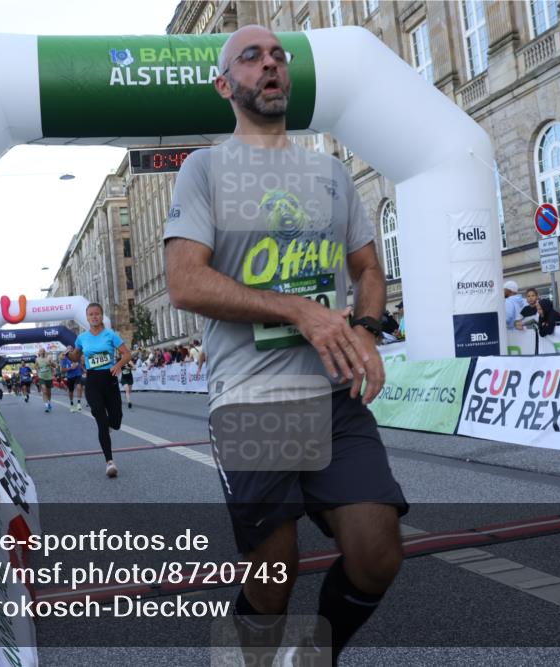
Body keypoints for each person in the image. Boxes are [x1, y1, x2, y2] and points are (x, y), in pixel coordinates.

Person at [163, 25, 407, 664]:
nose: (269, 65)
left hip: (331, 392)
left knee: (378, 551)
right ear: (225, 85)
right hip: (250, 396)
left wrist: (366, 329)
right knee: (274, 580)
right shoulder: (204, 169)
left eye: (278, 56)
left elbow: (369, 270)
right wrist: (300, 310)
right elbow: (184, 283)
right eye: (251, 57)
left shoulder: (329, 173)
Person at [70, 303, 131, 478]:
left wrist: (119, 365)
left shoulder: (110, 335)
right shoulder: (82, 338)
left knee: (116, 421)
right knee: (101, 421)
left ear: (101, 316)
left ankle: (110, 425)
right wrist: (69, 353)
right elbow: (76, 356)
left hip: (110, 379)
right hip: (93, 381)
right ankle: (109, 462)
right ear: (87, 318)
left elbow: (127, 354)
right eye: (91, 314)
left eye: (97, 314)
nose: (94, 317)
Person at [36, 347, 55, 412]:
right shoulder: (37, 359)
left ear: (45, 352)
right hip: (42, 377)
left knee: (49, 392)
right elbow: (36, 367)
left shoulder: (49, 358)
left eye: (43, 351)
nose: (42, 352)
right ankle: (46, 405)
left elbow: (55, 366)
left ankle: (49, 403)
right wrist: (38, 373)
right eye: (41, 351)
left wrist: (50, 363)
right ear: (39, 353)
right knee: (44, 391)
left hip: (49, 377)